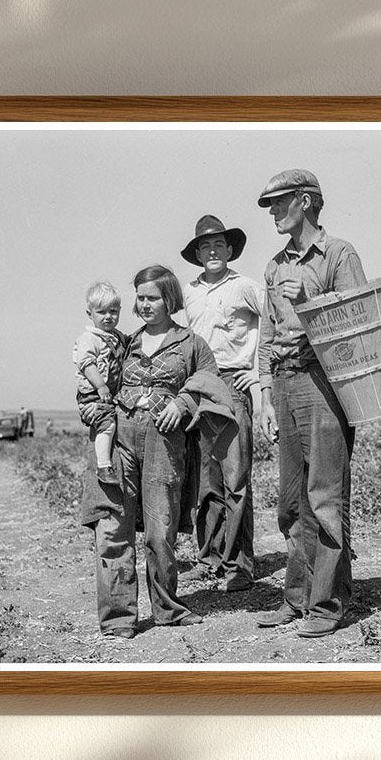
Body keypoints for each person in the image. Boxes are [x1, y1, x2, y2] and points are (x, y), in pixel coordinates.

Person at [81, 265, 236, 639]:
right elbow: (94, 378)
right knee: (113, 525)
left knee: (160, 527)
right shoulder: (124, 342)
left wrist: (182, 403)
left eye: (152, 297)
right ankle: (118, 618)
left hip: (164, 444)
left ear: (170, 299)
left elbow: (208, 380)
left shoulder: (191, 343)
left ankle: (166, 607)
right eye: (141, 298)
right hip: (120, 438)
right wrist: (91, 406)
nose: (145, 304)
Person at [254, 169, 365, 638]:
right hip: (283, 384)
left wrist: (313, 298)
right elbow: (266, 334)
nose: (274, 213)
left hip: (324, 383)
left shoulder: (339, 254)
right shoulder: (275, 265)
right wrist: (262, 393)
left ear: (305, 201)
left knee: (324, 497)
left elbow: (359, 325)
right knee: (290, 502)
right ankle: (298, 598)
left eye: (279, 203)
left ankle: (328, 604)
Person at [177, 214, 264, 593]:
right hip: (199, 385)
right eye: (204, 247)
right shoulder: (188, 292)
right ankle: (209, 558)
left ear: (229, 250)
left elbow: (275, 321)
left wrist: (260, 374)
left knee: (236, 478)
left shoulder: (245, 286)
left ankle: (239, 566)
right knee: (206, 481)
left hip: (233, 382)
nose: (212, 251)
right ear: (197, 254)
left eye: (218, 245)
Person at [72, 281, 128, 485]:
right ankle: (103, 466)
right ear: (90, 314)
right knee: (107, 424)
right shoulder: (89, 338)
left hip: (108, 395)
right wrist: (101, 385)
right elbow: (86, 364)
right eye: (101, 312)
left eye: (113, 311)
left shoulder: (116, 337)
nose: (108, 317)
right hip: (93, 395)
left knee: (114, 424)